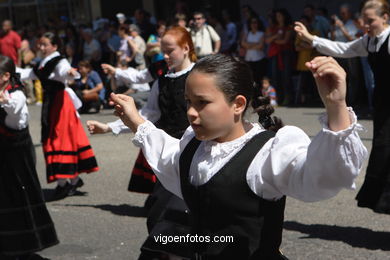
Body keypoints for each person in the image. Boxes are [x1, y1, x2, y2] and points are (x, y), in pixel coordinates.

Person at [110, 53, 367, 259]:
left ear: (238, 104)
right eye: (188, 101)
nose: (190, 111)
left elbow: (322, 177)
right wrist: (136, 121)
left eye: (202, 102)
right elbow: (167, 156)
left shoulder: (268, 153)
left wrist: (336, 106)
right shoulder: (192, 145)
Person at [89, 26, 197, 259]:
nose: (165, 56)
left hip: (197, 150)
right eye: (163, 51)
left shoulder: (201, 76)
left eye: (170, 51)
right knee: (157, 211)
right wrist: (109, 127)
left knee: (182, 217)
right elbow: (147, 114)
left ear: (186, 48)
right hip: (169, 152)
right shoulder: (162, 80)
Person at [295, 0, 390, 214]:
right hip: (383, 104)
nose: (366, 25)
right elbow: (344, 49)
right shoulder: (369, 41)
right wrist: (312, 39)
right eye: (363, 21)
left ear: (385, 17)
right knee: (383, 150)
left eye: (371, 20)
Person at [16, 32, 99, 201]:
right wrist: (8, 68)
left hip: (60, 105)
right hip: (52, 103)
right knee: (53, 139)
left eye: (45, 44)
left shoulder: (59, 60)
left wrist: (70, 73)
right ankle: (72, 180)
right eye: (40, 44)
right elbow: (29, 74)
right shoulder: (44, 62)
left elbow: (65, 72)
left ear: (54, 46)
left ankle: (65, 182)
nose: (41, 47)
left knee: (58, 140)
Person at [0, 55, 58, 259]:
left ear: (6, 76)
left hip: (16, 158)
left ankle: (20, 245)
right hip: (4, 155)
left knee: (18, 199)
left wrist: (4, 100)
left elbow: (14, 115)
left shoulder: (16, 96)